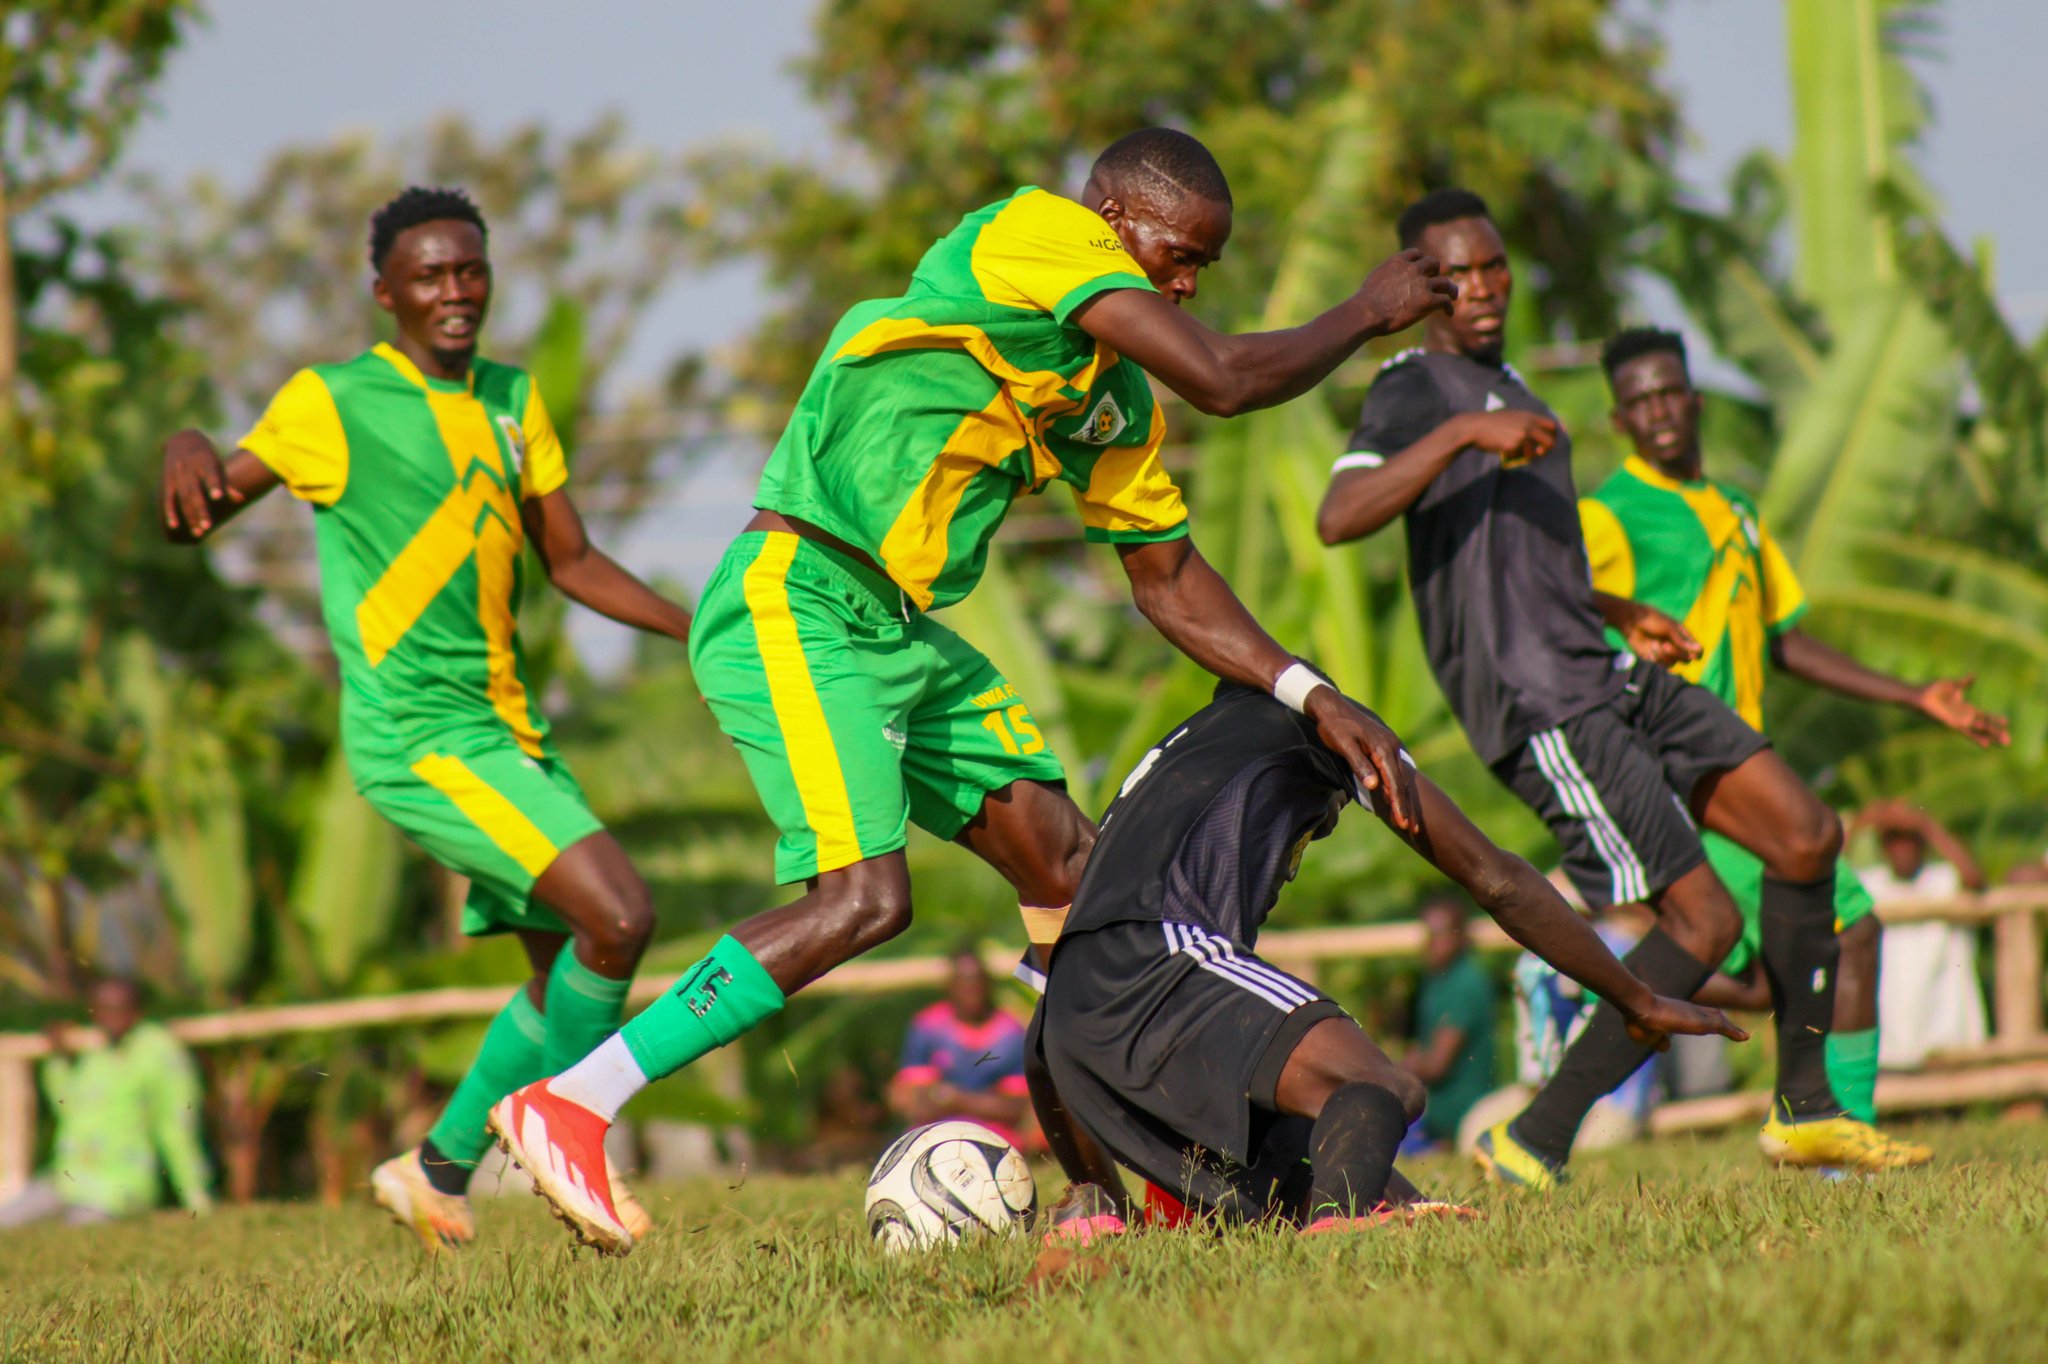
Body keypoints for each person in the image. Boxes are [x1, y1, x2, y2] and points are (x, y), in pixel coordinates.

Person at [486, 127, 1458, 1254]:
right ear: (1108, 217)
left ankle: (1101, 1199)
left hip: (898, 629)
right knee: (861, 898)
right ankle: (574, 1099)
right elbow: (1225, 376)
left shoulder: (1110, 405)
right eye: (1174, 255)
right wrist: (1361, 311)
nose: (1186, 283)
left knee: (1072, 876)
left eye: (1205, 269)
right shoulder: (1031, 231)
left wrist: (1306, 690)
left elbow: (1173, 582)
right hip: (795, 591)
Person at [1315, 188, 1929, 1188]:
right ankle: (1535, 1132)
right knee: (1702, 924)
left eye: (1493, 266)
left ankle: (1806, 1106)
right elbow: (1338, 514)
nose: (1480, 287)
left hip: (1603, 663)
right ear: (1419, 286)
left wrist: (1613, 608)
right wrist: (1461, 438)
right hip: (1538, 700)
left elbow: (1520, 558)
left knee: (1805, 832)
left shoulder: (1511, 383)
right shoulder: (1412, 387)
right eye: (1454, 273)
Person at [157, 187, 695, 1253]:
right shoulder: (333, 400)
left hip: (510, 731)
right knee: (620, 912)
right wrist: (185, 438)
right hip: (420, 735)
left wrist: (701, 626)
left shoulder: (510, 398)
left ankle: (437, 1165)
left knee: (564, 968)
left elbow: (572, 558)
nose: (455, 292)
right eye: (431, 276)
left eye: (470, 271)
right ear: (385, 293)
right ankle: (578, 1136)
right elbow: (203, 508)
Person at [1027, 680, 1743, 1234]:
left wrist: (1099, 1194)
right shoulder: (1327, 730)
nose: (1329, 825)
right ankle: (1341, 1239)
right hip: (1155, 960)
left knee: (1342, 1190)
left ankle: (1097, 1234)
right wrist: (1636, 996)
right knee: (1381, 1086)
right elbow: (1496, 877)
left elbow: (1046, 1038)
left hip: (1073, 1021)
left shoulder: (1181, 764)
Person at [1580, 325, 2009, 1124]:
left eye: (1670, 392)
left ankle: (1593, 989)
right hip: (1688, 774)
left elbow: (1787, 639)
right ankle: (1836, 1138)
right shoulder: (1608, 514)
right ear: (1619, 421)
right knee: (1851, 931)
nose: (1659, 411)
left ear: (1695, 400)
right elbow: (1556, 604)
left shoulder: (1736, 511)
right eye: (1639, 401)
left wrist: (1916, 695)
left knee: (1771, 967)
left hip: (1747, 766)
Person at [0, 979, 211, 1228]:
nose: (111, 1017)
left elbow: (177, 1129)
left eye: (119, 1008)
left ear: (137, 1011)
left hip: (121, 1189)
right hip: (68, 1182)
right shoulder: (95, 1054)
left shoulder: (158, 1052)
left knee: (80, 1231)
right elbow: (70, 1111)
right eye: (102, 1009)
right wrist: (58, 1060)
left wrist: (197, 1199)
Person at [1854, 800, 1991, 1069]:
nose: (1901, 849)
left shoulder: (1943, 878)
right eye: (1893, 840)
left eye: (1910, 840)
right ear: (1883, 848)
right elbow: (1829, 878)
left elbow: (1975, 881)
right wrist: (1862, 823)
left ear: (1923, 845)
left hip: (1943, 1023)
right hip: (1891, 1029)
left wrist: (1926, 825)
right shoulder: (1871, 883)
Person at [888, 947, 1036, 1150]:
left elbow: (1016, 1109)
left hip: (995, 1136)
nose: (971, 992)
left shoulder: (1011, 1034)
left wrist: (956, 1099)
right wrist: (984, 1103)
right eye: (963, 984)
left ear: (988, 985)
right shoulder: (928, 1027)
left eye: (976, 983)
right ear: (950, 987)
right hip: (936, 1131)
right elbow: (916, 1100)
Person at [1398, 896, 1499, 1150]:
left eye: (1440, 934)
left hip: (1460, 1120)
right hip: (1432, 1118)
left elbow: (1436, 1065)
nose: (1432, 943)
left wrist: (1392, 1069)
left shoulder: (1464, 983)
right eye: (1429, 934)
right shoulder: (1436, 980)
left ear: (1461, 936)